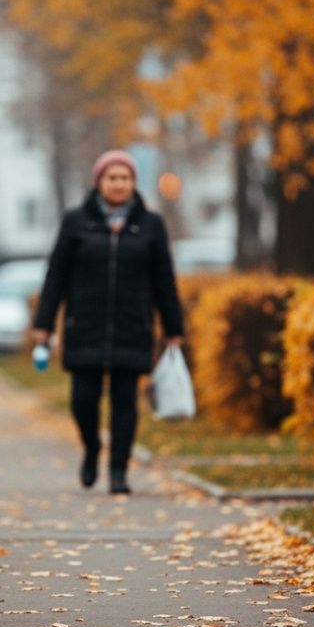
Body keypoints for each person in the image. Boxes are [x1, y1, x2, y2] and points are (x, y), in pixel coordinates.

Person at [32, 149, 185, 495]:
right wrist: (44, 323)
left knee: (125, 403)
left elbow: (164, 279)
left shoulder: (151, 225)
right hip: (84, 325)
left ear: (134, 183)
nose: (119, 184)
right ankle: (91, 448)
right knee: (83, 400)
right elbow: (56, 275)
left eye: (125, 178)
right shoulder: (76, 221)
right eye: (112, 178)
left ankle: (118, 471)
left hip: (133, 326)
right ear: (99, 182)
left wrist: (174, 328)